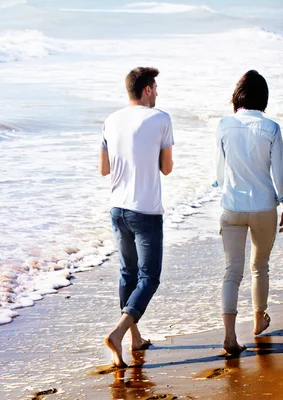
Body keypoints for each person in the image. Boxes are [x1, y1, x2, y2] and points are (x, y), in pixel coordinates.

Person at [99, 67, 174, 368]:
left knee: (127, 275)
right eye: (155, 87)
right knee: (149, 278)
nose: (157, 93)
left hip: (117, 209)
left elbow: (104, 169)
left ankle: (134, 338)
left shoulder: (110, 120)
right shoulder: (160, 119)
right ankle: (118, 333)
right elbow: (166, 168)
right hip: (145, 210)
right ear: (146, 89)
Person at [213, 70, 283, 355]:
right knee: (260, 266)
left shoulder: (224, 125)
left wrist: (227, 187)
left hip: (232, 207)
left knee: (232, 272)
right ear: (263, 98)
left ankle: (230, 337)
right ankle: (259, 321)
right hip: (262, 207)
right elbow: (279, 171)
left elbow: (220, 173)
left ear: (237, 97)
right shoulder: (271, 128)